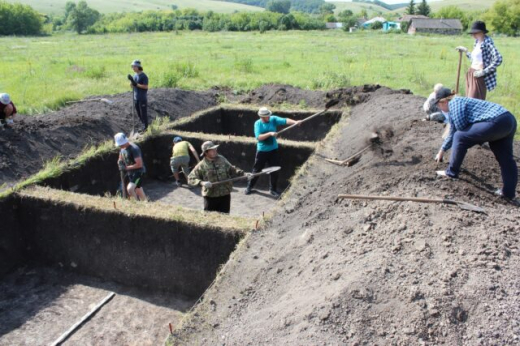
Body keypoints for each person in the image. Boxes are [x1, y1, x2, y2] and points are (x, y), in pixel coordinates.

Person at [432, 86, 518, 204]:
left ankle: (451, 172)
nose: (438, 107)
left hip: (495, 121)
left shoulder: (454, 104)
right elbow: (453, 131)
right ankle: (508, 193)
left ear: (444, 101)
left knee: (460, 136)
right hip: (508, 120)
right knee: (506, 159)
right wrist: (442, 150)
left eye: (438, 104)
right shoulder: (458, 103)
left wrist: (472, 139)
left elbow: (460, 131)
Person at [244, 107, 301, 198]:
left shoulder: (273, 119)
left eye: (268, 115)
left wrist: (295, 122)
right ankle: (249, 187)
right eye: (266, 116)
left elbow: (285, 120)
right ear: (261, 117)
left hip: (273, 150)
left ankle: (273, 189)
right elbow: (259, 137)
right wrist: (270, 133)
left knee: (274, 170)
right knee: (256, 170)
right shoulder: (257, 124)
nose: (268, 117)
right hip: (262, 151)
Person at [188, 141, 252, 213]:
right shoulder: (202, 165)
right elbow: (190, 178)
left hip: (225, 194)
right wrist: (202, 183)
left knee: (225, 216)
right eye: (212, 150)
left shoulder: (222, 159)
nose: (215, 151)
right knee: (209, 217)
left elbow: (232, 169)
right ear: (206, 152)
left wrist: (244, 174)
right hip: (210, 197)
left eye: (215, 149)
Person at [456, 21, 502, 101]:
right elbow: (475, 59)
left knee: (474, 102)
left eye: (476, 33)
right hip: (471, 73)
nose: (473, 35)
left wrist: (484, 72)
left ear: (482, 32)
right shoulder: (477, 42)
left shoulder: (487, 43)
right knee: (468, 100)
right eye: (472, 33)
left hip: (479, 76)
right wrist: (466, 51)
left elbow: (498, 59)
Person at [115, 132, 147, 201]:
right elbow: (120, 157)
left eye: (120, 144)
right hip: (130, 173)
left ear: (124, 142)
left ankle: (136, 205)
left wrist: (126, 168)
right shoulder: (122, 149)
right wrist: (119, 162)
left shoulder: (134, 149)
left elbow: (139, 164)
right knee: (138, 189)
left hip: (138, 172)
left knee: (130, 189)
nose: (119, 146)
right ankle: (146, 204)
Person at [127, 60, 149, 132]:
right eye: (132, 66)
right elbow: (133, 86)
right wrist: (132, 83)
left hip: (142, 98)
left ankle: (145, 127)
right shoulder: (135, 75)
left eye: (134, 66)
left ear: (138, 67)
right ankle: (142, 125)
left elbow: (145, 87)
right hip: (136, 97)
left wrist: (136, 84)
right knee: (139, 113)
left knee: (143, 113)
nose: (132, 68)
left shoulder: (144, 76)